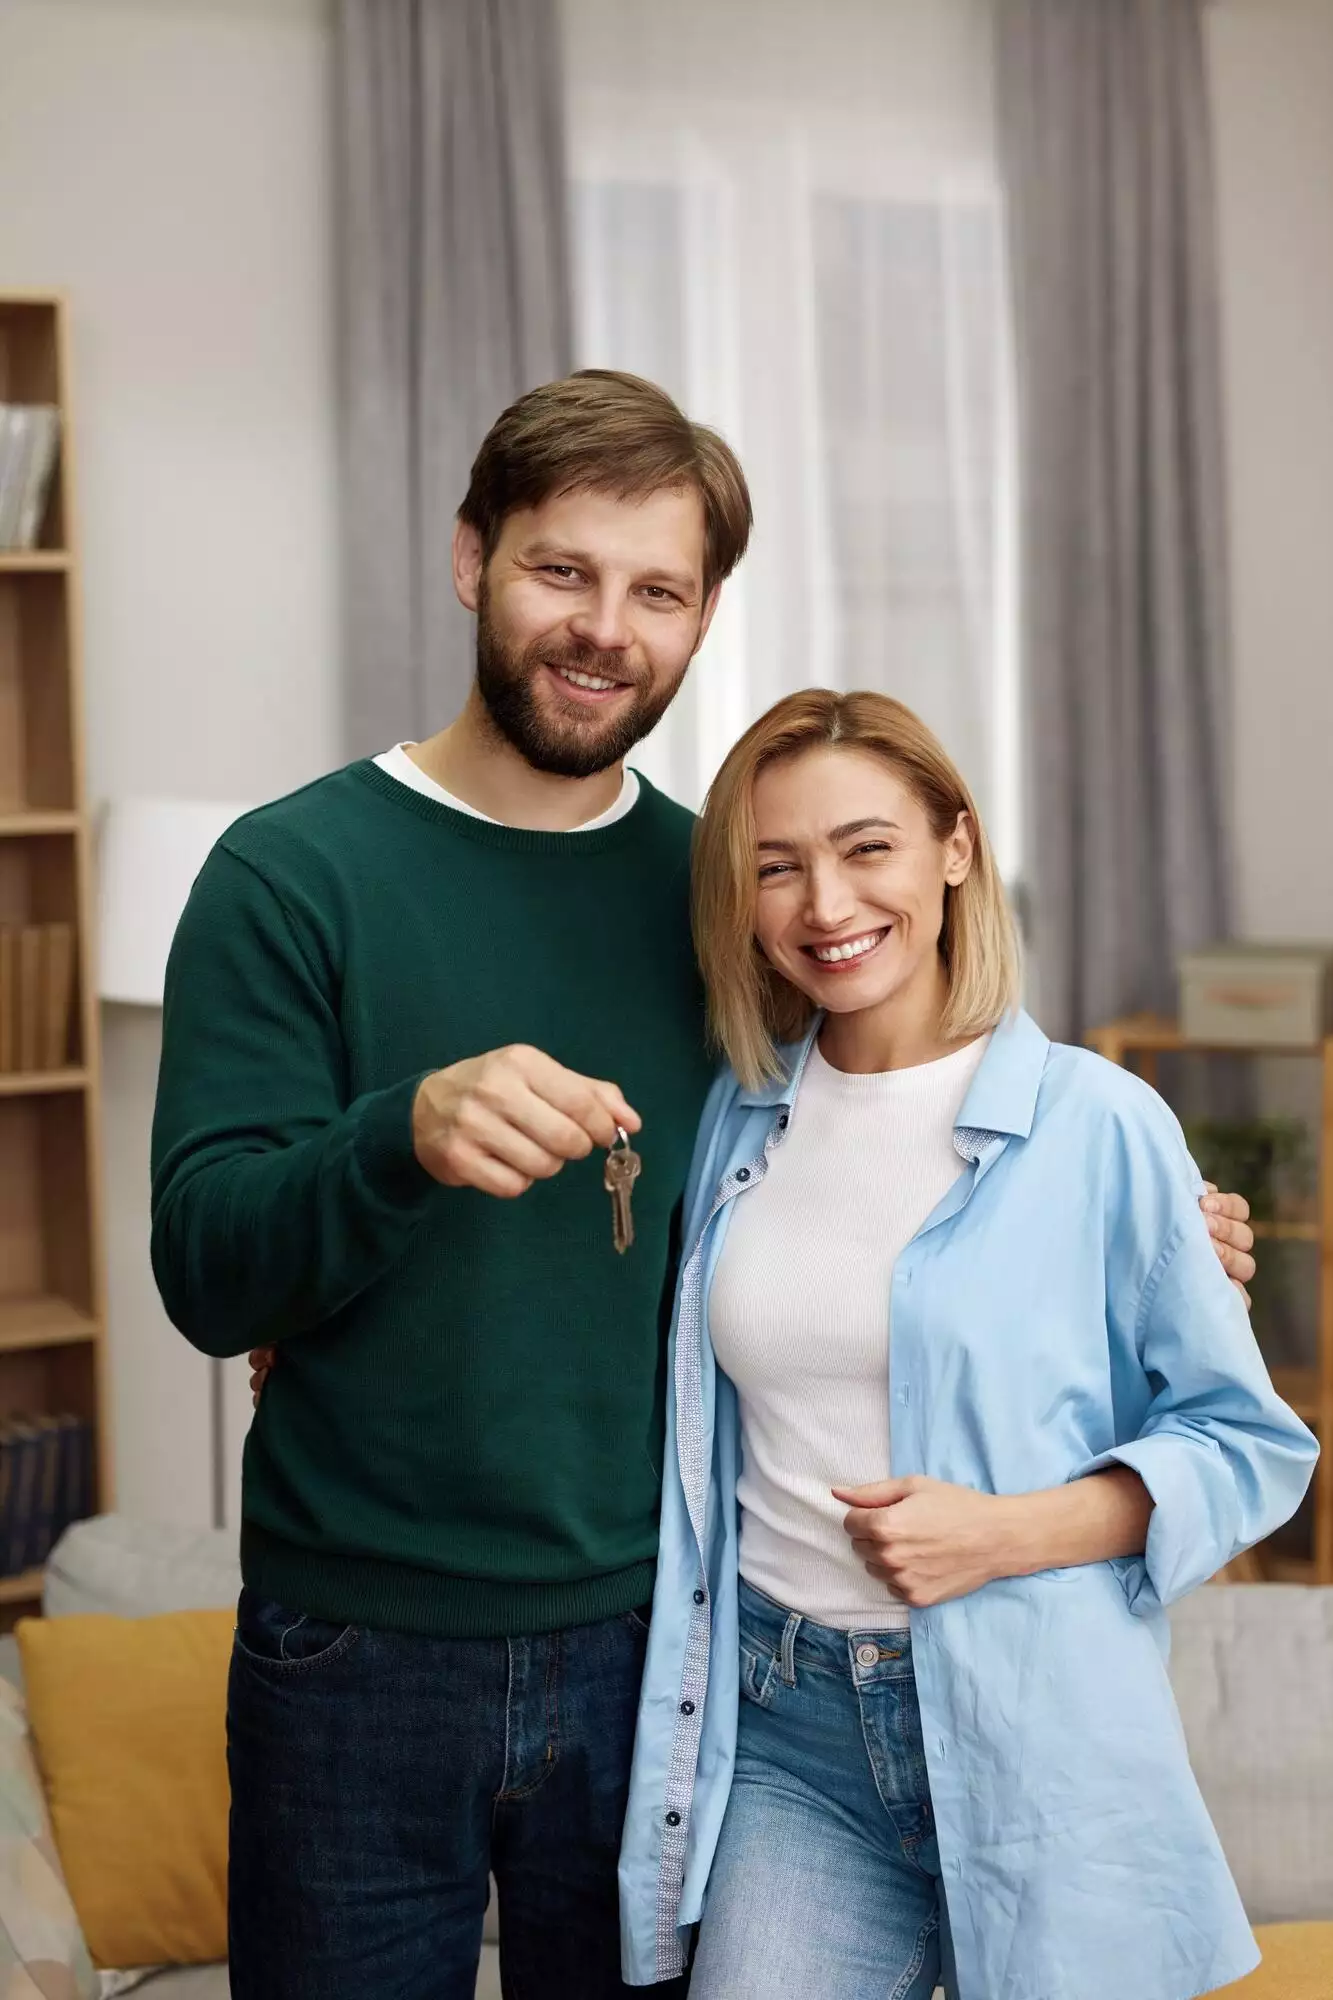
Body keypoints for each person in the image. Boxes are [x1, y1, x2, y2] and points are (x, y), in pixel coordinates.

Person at [151, 371, 1255, 2000]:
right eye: (560, 571)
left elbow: (915, 1097)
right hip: (356, 1649)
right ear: (471, 559)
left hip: (663, 1653)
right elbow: (205, 1272)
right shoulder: (290, 874)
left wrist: (1150, 1220)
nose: (605, 628)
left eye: (656, 591)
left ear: (702, 615)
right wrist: (393, 1140)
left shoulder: (728, 888)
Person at [618, 687, 1317, 2000]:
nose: (825, 904)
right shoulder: (733, 1123)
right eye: (779, 865)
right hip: (787, 1739)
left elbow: (1247, 1446)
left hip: (1036, 1728)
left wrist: (1004, 1533)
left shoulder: (1102, 1125)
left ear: (956, 847)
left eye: (866, 846)